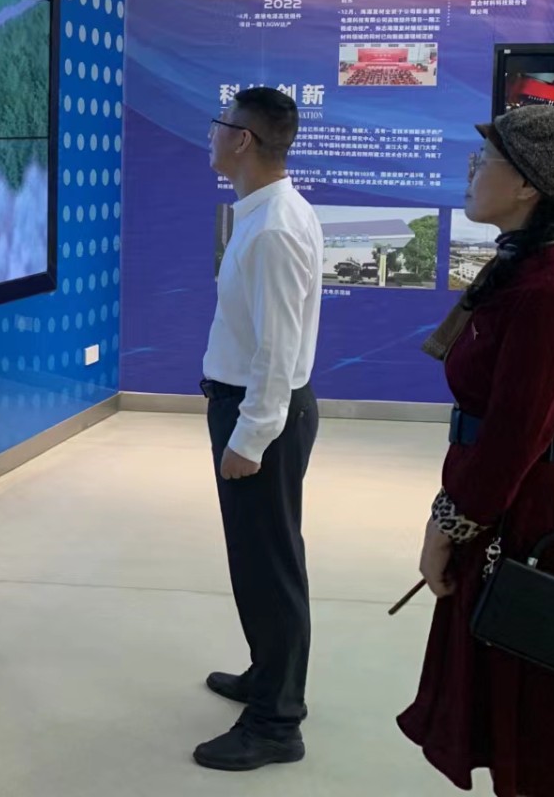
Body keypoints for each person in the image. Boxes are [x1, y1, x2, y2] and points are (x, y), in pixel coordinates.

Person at [399, 104, 554, 797]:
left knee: (534, 732)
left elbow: (511, 443)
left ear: (527, 185)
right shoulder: (531, 267)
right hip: (507, 519)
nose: (470, 171)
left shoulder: (549, 291)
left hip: (527, 533)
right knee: (509, 716)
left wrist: (445, 527)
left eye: (485, 160)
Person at [196, 86, 325, 772]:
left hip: (261, 415)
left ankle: (277, 722)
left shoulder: (273, 226)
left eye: (219, 125)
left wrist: (249, 438)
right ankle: (267, 674)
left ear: (242, 138)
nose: (211, 135)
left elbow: (278, 350)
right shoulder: (268, 212)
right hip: (254, 407)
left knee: (270, 565)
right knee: (256, 557)